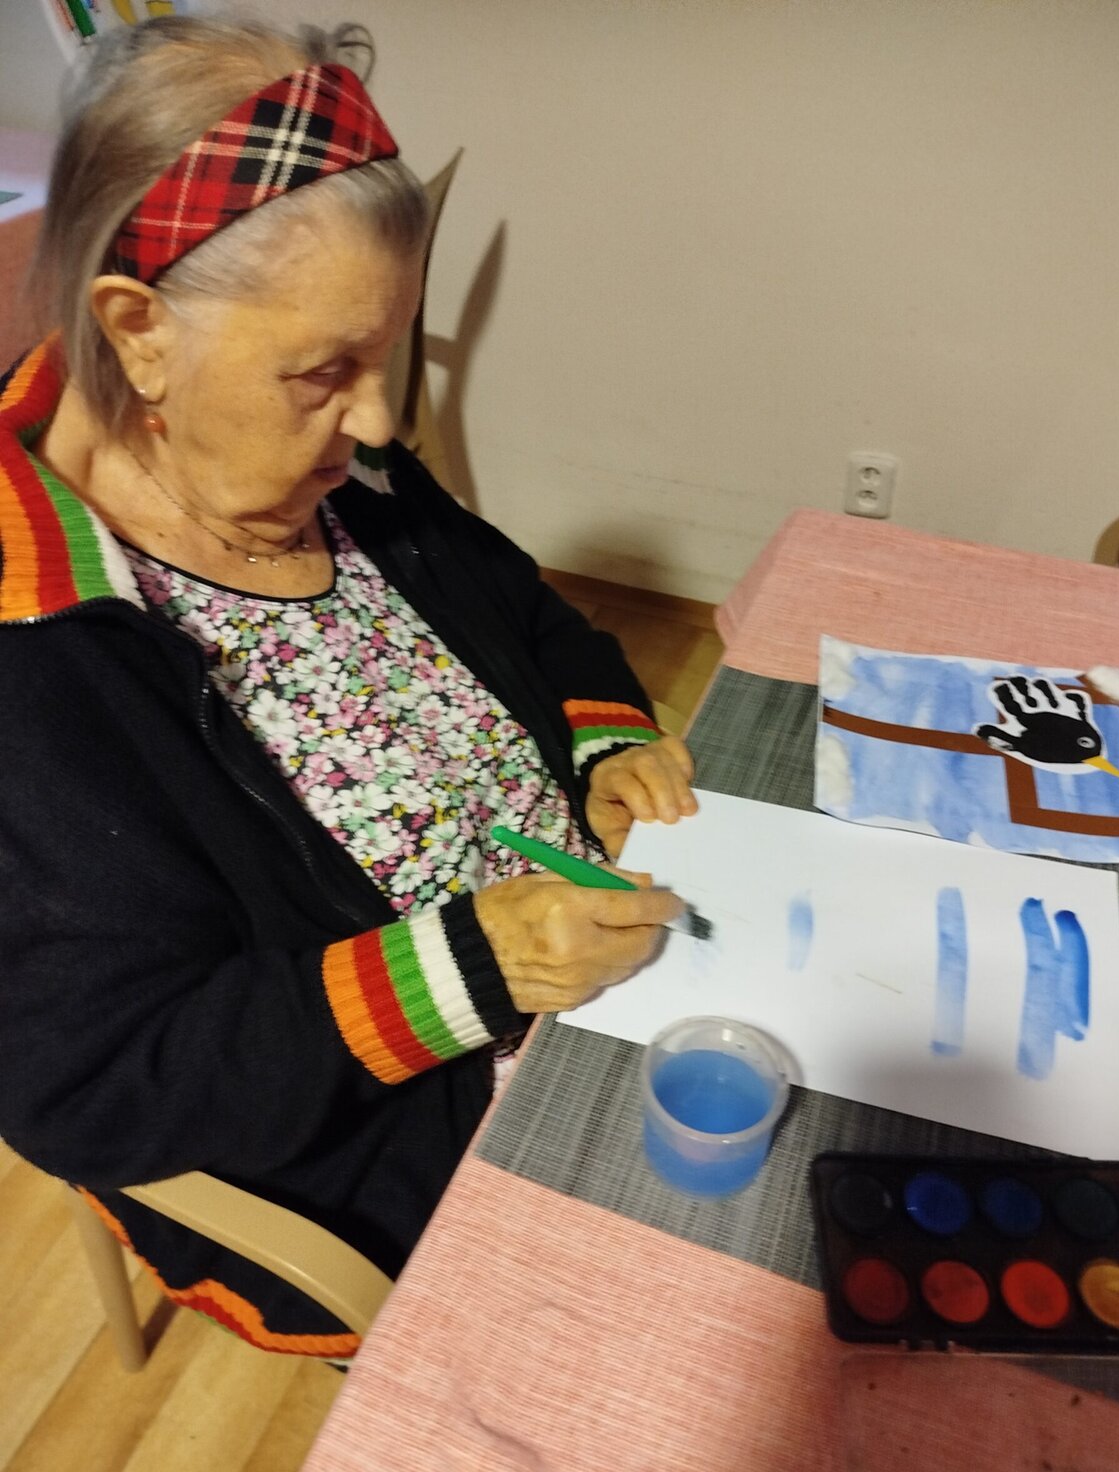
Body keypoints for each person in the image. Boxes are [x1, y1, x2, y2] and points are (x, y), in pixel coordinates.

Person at [0, 16, 697, 1359]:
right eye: (326, 371)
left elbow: (527, 613)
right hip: (391, 1123)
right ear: (139, 334)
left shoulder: (342, 472)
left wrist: (604, 737)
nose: (381, 422)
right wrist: (474, 965)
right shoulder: (36, 658)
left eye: (388, 357)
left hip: (600, 953)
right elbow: (102, 1084)